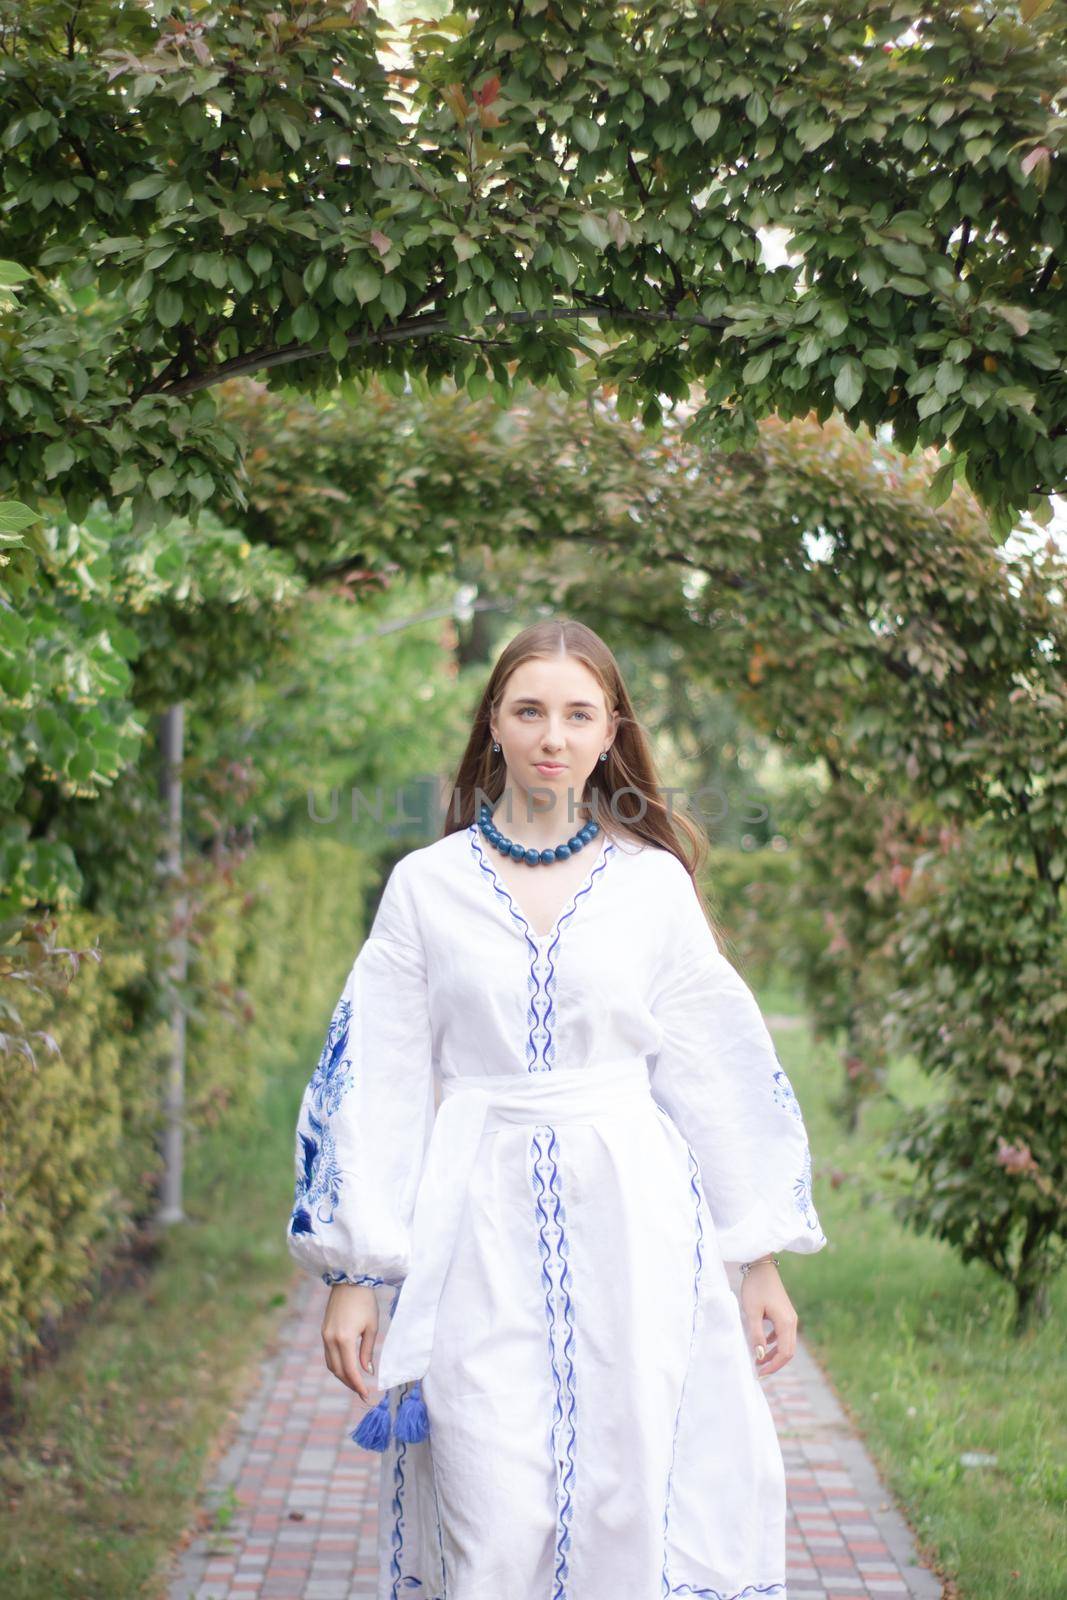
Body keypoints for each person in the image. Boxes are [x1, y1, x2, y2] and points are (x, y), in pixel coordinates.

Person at [286, 617, 827, 1600]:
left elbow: (713, 1068)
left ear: (609, 729)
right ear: (493, 722)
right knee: (491, 1502)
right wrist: (357, 1270)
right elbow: (380, 1072)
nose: (552, 735)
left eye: (578, 713)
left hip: (635, 1224)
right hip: (474, 1228)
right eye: (528, 709)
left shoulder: (651, 887)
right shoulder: (425, 888)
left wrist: (756, 1259)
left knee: (628, 1495)